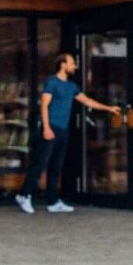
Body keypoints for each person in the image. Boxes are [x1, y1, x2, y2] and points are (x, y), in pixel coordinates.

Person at [16, 53, 121, 214]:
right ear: (62, 64)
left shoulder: (72, 86)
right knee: (40, 164)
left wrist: (109, 108)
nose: (75, 66)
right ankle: (24, 195)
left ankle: (52, 202)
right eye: (72, 63)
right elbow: (44, 106)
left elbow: (87, 101)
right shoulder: (52, 82)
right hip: (50, 127)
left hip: (62, 130)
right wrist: (46, 128)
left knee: (56, 166)